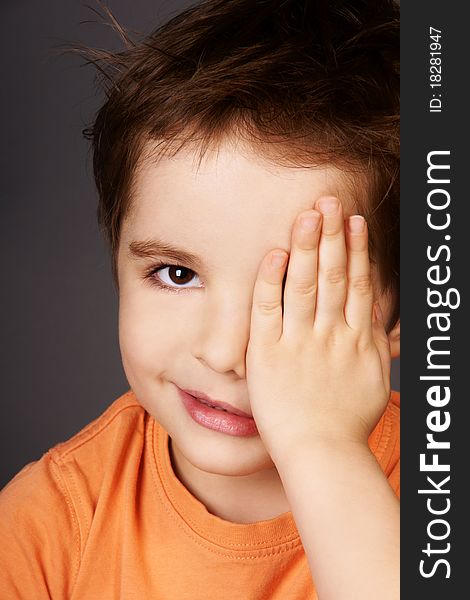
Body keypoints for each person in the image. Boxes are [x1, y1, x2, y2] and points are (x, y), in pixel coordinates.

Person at [0, 0, 400, 598]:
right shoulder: (51, 521)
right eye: (176, 274)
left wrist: (324, 446)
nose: (222, 353)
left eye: (295, 293)